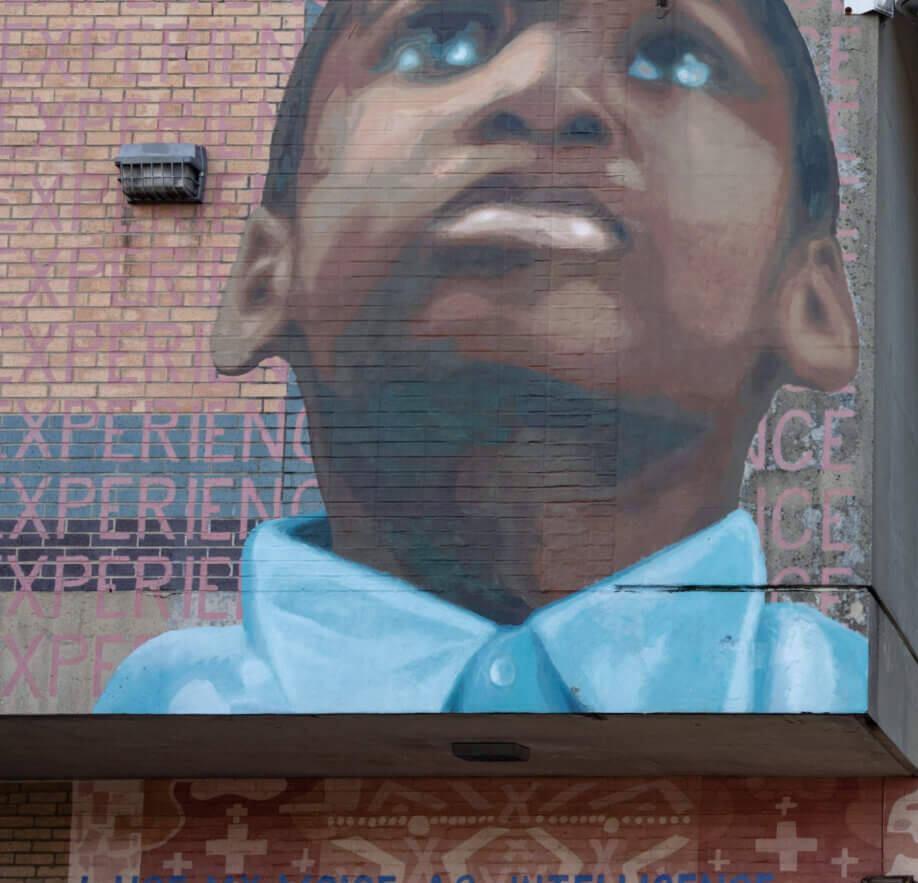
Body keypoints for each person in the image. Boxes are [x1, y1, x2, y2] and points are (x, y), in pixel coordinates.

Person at [97, 0, 868, 713]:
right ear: (263, 279)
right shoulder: (151, 710)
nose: (544, 93)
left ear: (812, 307)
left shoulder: (852, 689)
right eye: (441, 42)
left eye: (675, 59)